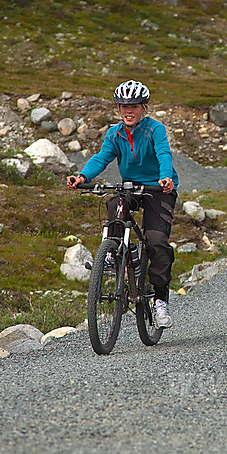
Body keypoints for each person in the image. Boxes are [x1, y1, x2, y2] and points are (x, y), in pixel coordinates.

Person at [67, 80, 178, 328]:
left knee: (157, 241)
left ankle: (160, 301)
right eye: (123, 106)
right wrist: (83, 177)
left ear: (144, 109)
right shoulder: (114, 133)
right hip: (131, 186)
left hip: (158, 187)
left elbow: (163, 153)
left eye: (135, 106)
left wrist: (166, 177)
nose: (129, 111)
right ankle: (115, 252)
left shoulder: (155, 129)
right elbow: (102, 157)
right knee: (114, 203)